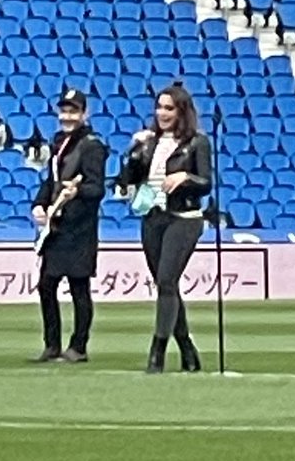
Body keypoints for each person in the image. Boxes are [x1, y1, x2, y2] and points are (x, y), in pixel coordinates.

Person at [116, 83, 212, 374]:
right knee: (165, 284)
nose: (162, 113)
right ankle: (187, 350)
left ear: (181, 111)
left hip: (184, 218)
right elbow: (127, 180)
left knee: (167, 280)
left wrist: (184, 176)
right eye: (159, 107)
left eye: (168, 108)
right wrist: (134, 153)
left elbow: (205, 182)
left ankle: (157, 351)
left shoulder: (197, 142)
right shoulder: (149, 142)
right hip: (153, 216)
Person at [31, 88, 108, 363]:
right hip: (57, 227)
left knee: (78, 287)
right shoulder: (59, 142)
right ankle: (51, 345)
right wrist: (39, 205)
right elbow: (50, 181)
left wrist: (76, 193)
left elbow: (96, 188)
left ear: (84, 114)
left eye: (73, 111)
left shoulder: (92, 145)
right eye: (64, 110)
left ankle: (79, 346)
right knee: (46, 285)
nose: (67, 116)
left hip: (79, 229)